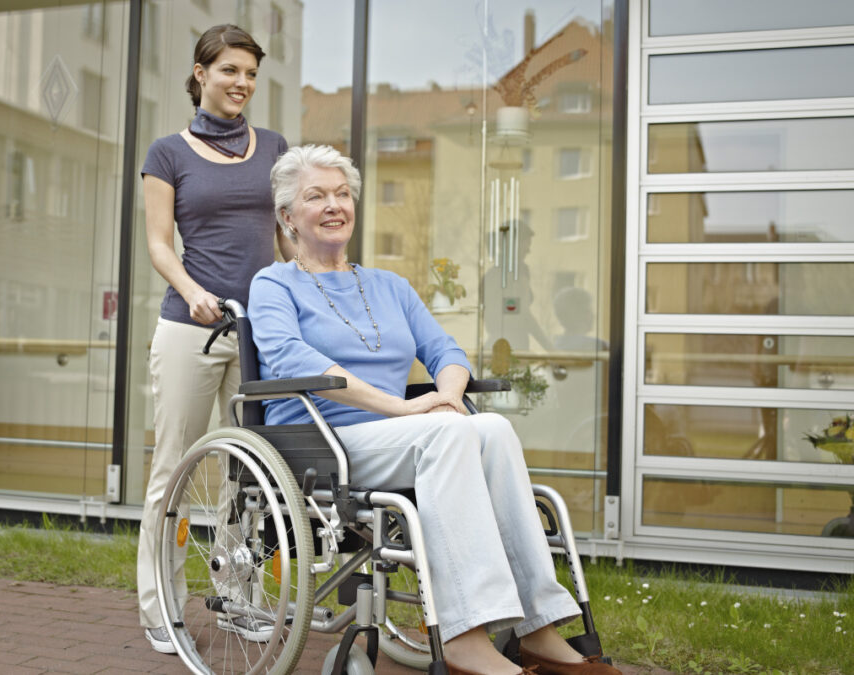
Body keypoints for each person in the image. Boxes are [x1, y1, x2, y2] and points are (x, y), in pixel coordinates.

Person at [248, 145, 621, 675]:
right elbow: (290, 357)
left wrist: (446, 396)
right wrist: (403, 409)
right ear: (288, 216)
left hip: (403, 436)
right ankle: (465, 638)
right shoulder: (274, 284)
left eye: (342, 194)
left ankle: (538, 628)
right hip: (322, 442)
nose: (334, 205)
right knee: (448, 433)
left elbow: (446, 351)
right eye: (316, 196)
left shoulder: (389, 286)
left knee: (492, 427)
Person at [136, 24, 295, 655]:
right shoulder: (166, 154)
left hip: (258, 331)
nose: (242, 83)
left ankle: (238, 598)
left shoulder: (274, 147)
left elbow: (286, 238)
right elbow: (159, 244)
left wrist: (310, 290)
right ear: (200, 73)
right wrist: (193, 290)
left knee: (250, 474)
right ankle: (160, 604)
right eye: (230, 70)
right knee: (174, 466)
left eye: (251, 74)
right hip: (190, 328)